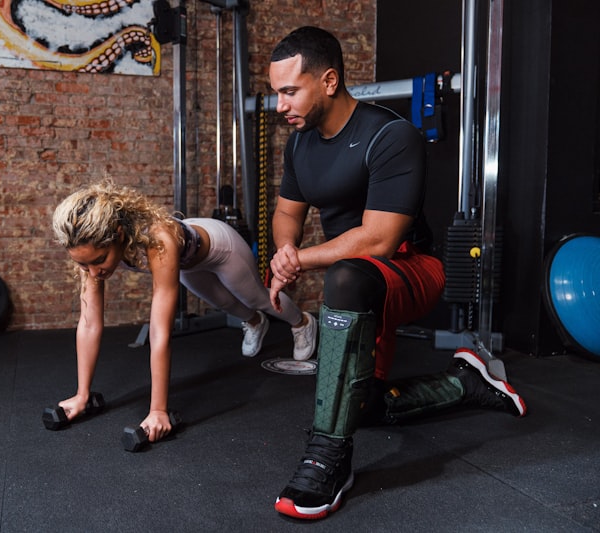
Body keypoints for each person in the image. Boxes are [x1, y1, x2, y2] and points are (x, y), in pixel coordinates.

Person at [266, 26, 527, 520]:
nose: (280, 105)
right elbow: (286, 215)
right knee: (358, 407)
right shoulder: (299, 144)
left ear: (328, 80)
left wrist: (300, 259)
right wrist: (283, 251)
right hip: (358, 278)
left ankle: (328, 461)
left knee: (345, 275)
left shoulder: (390, 135)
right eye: (276, 92)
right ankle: (464, 382)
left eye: (289, 91)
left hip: (412, 267)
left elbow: (380, 240)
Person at [51, 180, 317, 443]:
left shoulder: (158, 239)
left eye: (99, 261)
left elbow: (160, 331)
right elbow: (88, 322)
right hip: (189, 262)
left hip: (221, 248)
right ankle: (255, 322)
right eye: (84, 265)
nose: (94, 272)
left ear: (119, 235)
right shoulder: (88, 253)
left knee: (256, 297)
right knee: (226, 304)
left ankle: (302, 322)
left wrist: (158, 411)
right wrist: (82, 395)